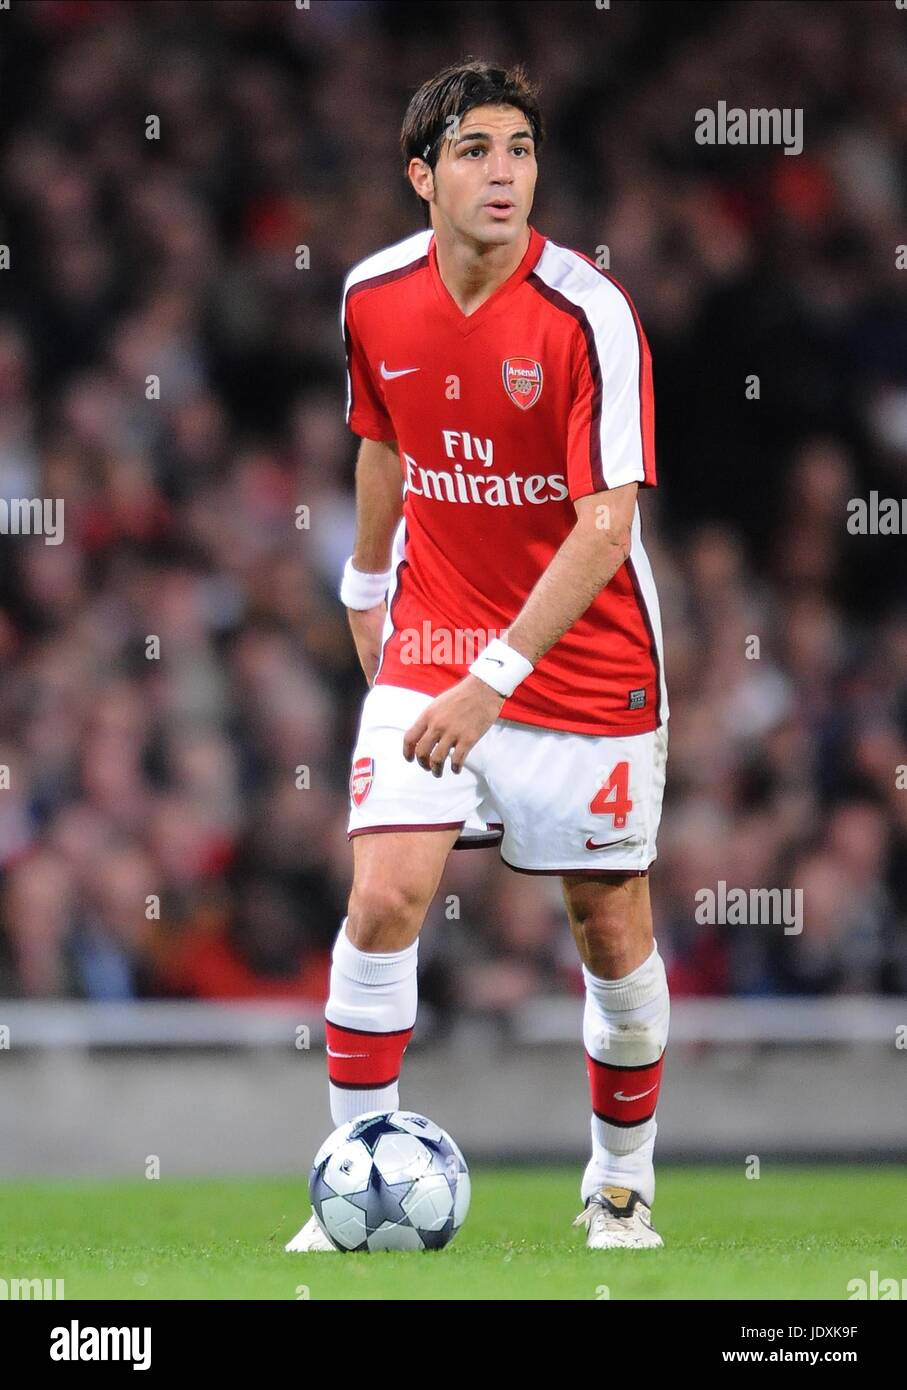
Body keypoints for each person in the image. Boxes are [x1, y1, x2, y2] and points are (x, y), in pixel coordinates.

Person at [287, 58, 669, 1253]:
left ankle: (620, 1182)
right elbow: (382, 440)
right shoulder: (371, 296)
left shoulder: (588, 314)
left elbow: (606, 524)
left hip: (582, 659)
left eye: (520, 149)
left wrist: (492, 679)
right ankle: (352, 1181)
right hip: (434, 633)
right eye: (473, 151)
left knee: (608, 928)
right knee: (382, 897)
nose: (503, 173)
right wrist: (364, 583)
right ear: (422, 175)